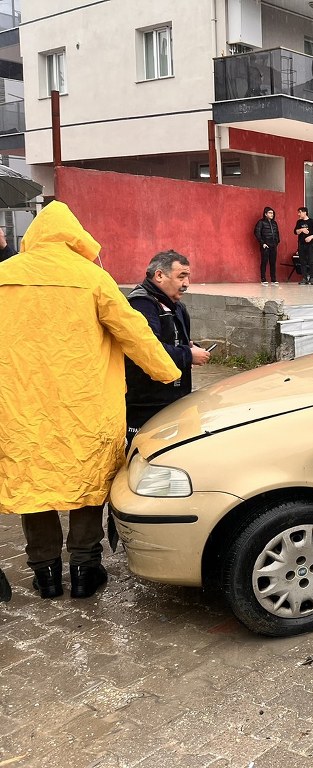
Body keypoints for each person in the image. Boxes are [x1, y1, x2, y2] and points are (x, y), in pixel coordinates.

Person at [0, 202, 180, 599]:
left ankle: (44, 574)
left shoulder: (3, 276)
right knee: (88, 484)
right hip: (85, 405)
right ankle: (85, 569)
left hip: (20, 406)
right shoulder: (93, 278)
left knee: (35, 484)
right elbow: (136, 334)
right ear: (75, 237)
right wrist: (168, 372)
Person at [125, 251, 211, 444]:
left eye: (188, 276)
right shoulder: (142, 304)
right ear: (159, 275)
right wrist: (188, 355)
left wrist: (188, 346)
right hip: (147, 404)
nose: (187, 283)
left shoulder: (174, 305)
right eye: (181, 276)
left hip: (173, 400)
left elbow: (171, 340)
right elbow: (147, 350)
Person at [253, 206, 280, 285]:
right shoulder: (261, 222)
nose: (272, 214)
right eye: (270, 213)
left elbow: (277, 233)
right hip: (265, 245)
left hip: (273, 245)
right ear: (265, 214)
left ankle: (273, 279)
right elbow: (257, 233)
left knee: (273, 262)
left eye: (272, 213)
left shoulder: (274, 223)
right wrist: (262, 243)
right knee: (264, 262)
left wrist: (277, 241)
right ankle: (263, 279)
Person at [294, 207, 313, 285]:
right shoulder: (299, 222)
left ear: (305, 212)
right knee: (302, 261)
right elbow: (295, 232)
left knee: (311, 261)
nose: (298, 214)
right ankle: (304, 278)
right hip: (301, 244)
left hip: (310, 245)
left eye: (300, 212)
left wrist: (311, 237)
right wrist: (302, 230)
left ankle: (312, 278)